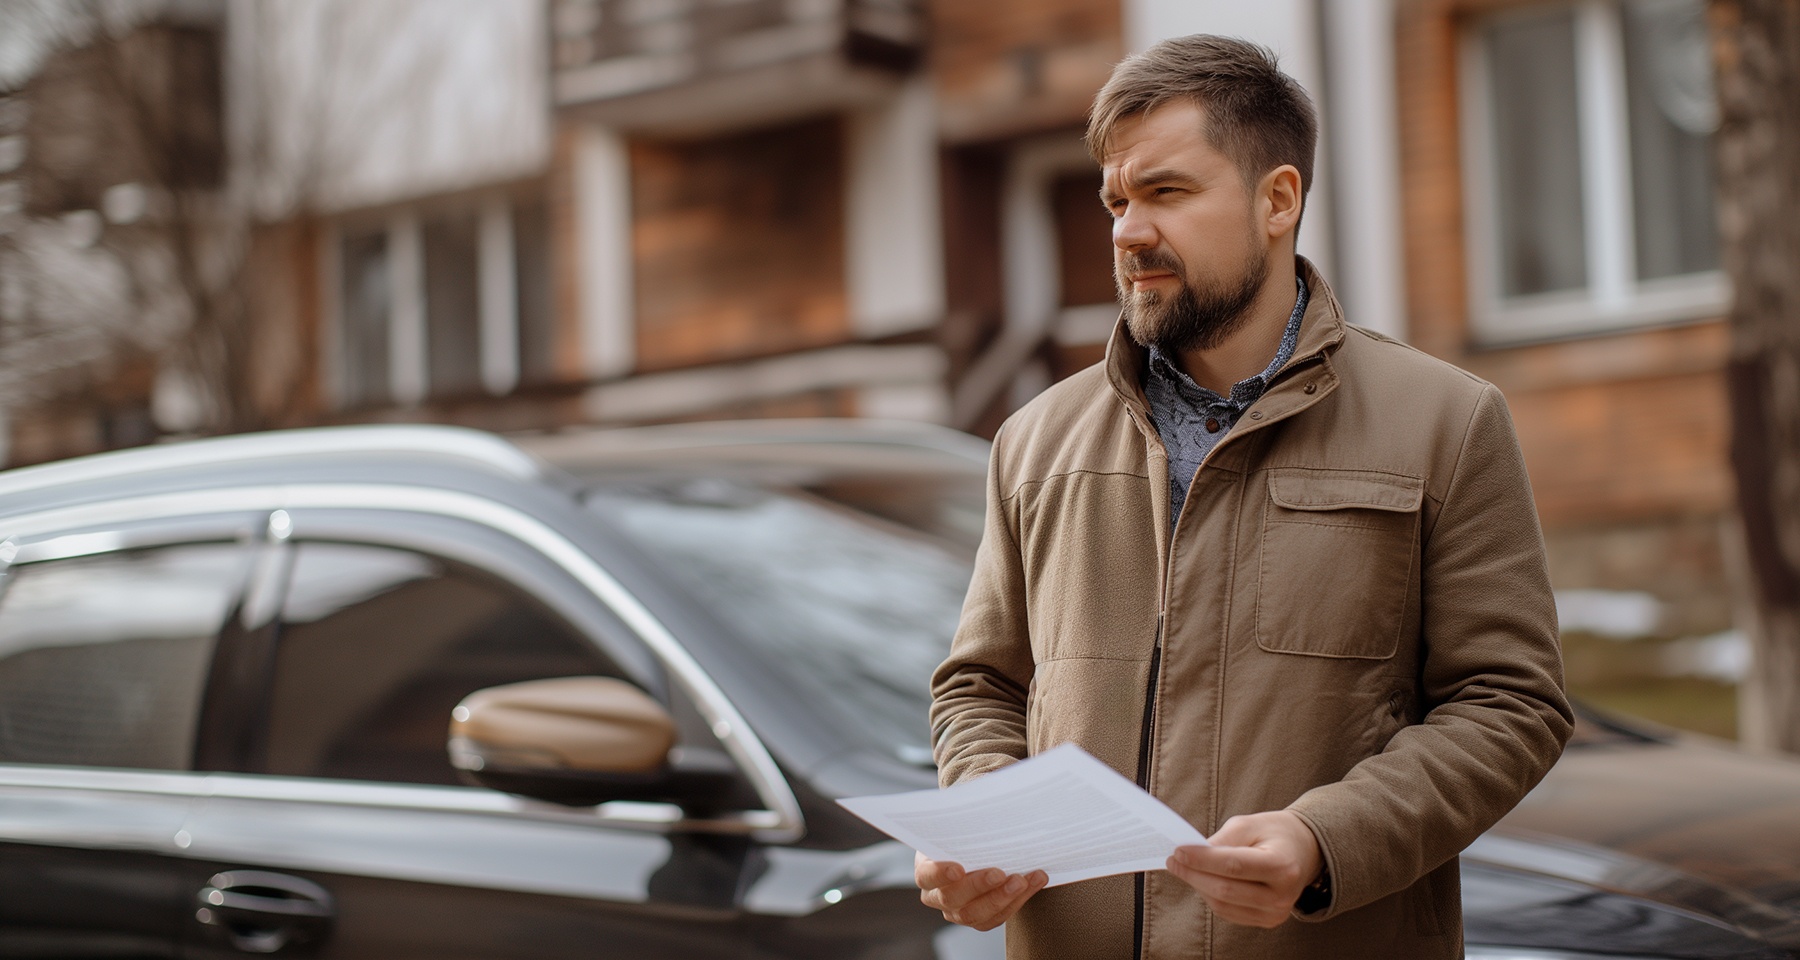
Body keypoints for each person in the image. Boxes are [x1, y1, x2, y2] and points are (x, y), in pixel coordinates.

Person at [918, 34, 1572, 960]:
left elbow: (1509, 703)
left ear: (1279, 199)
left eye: (1167, 192)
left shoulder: (1447, 422)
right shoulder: (1033, 441)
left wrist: (1325, 840)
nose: (1127, 232)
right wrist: (983, 813)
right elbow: (982, 686)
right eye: (1116, 199)